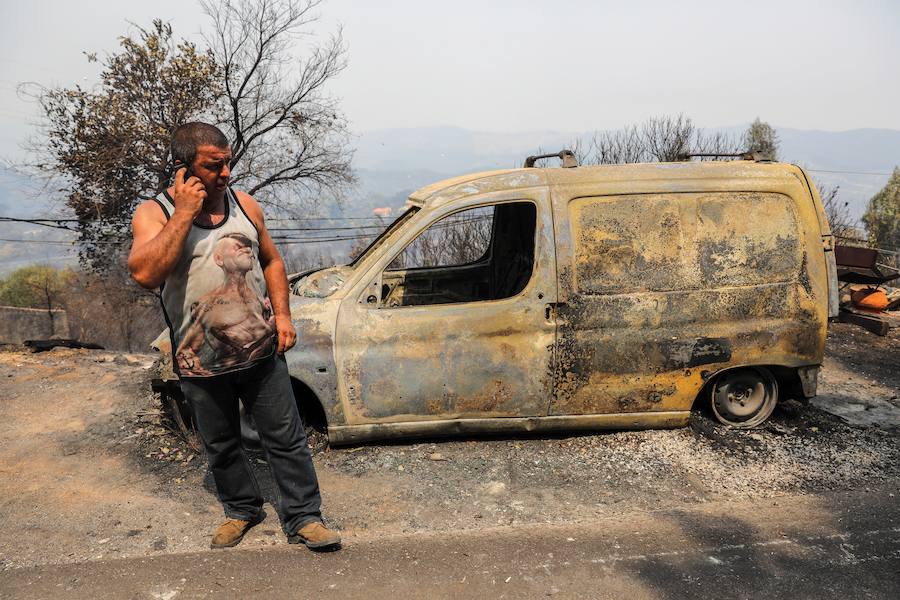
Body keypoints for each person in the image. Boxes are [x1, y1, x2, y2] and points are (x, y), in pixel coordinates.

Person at [128, 122, 341, 550]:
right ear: (182, 167)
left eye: (228, 162)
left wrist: (283, 315)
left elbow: (273, 262)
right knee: (222, 442)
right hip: (198, 359)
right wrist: (186, 212)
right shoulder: (156, 213)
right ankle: (242, 509)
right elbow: (147, 274)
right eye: (213, 165)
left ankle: (303, 516)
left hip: (262, 351)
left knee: (285, 435)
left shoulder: (245, 205)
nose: (225, 173)